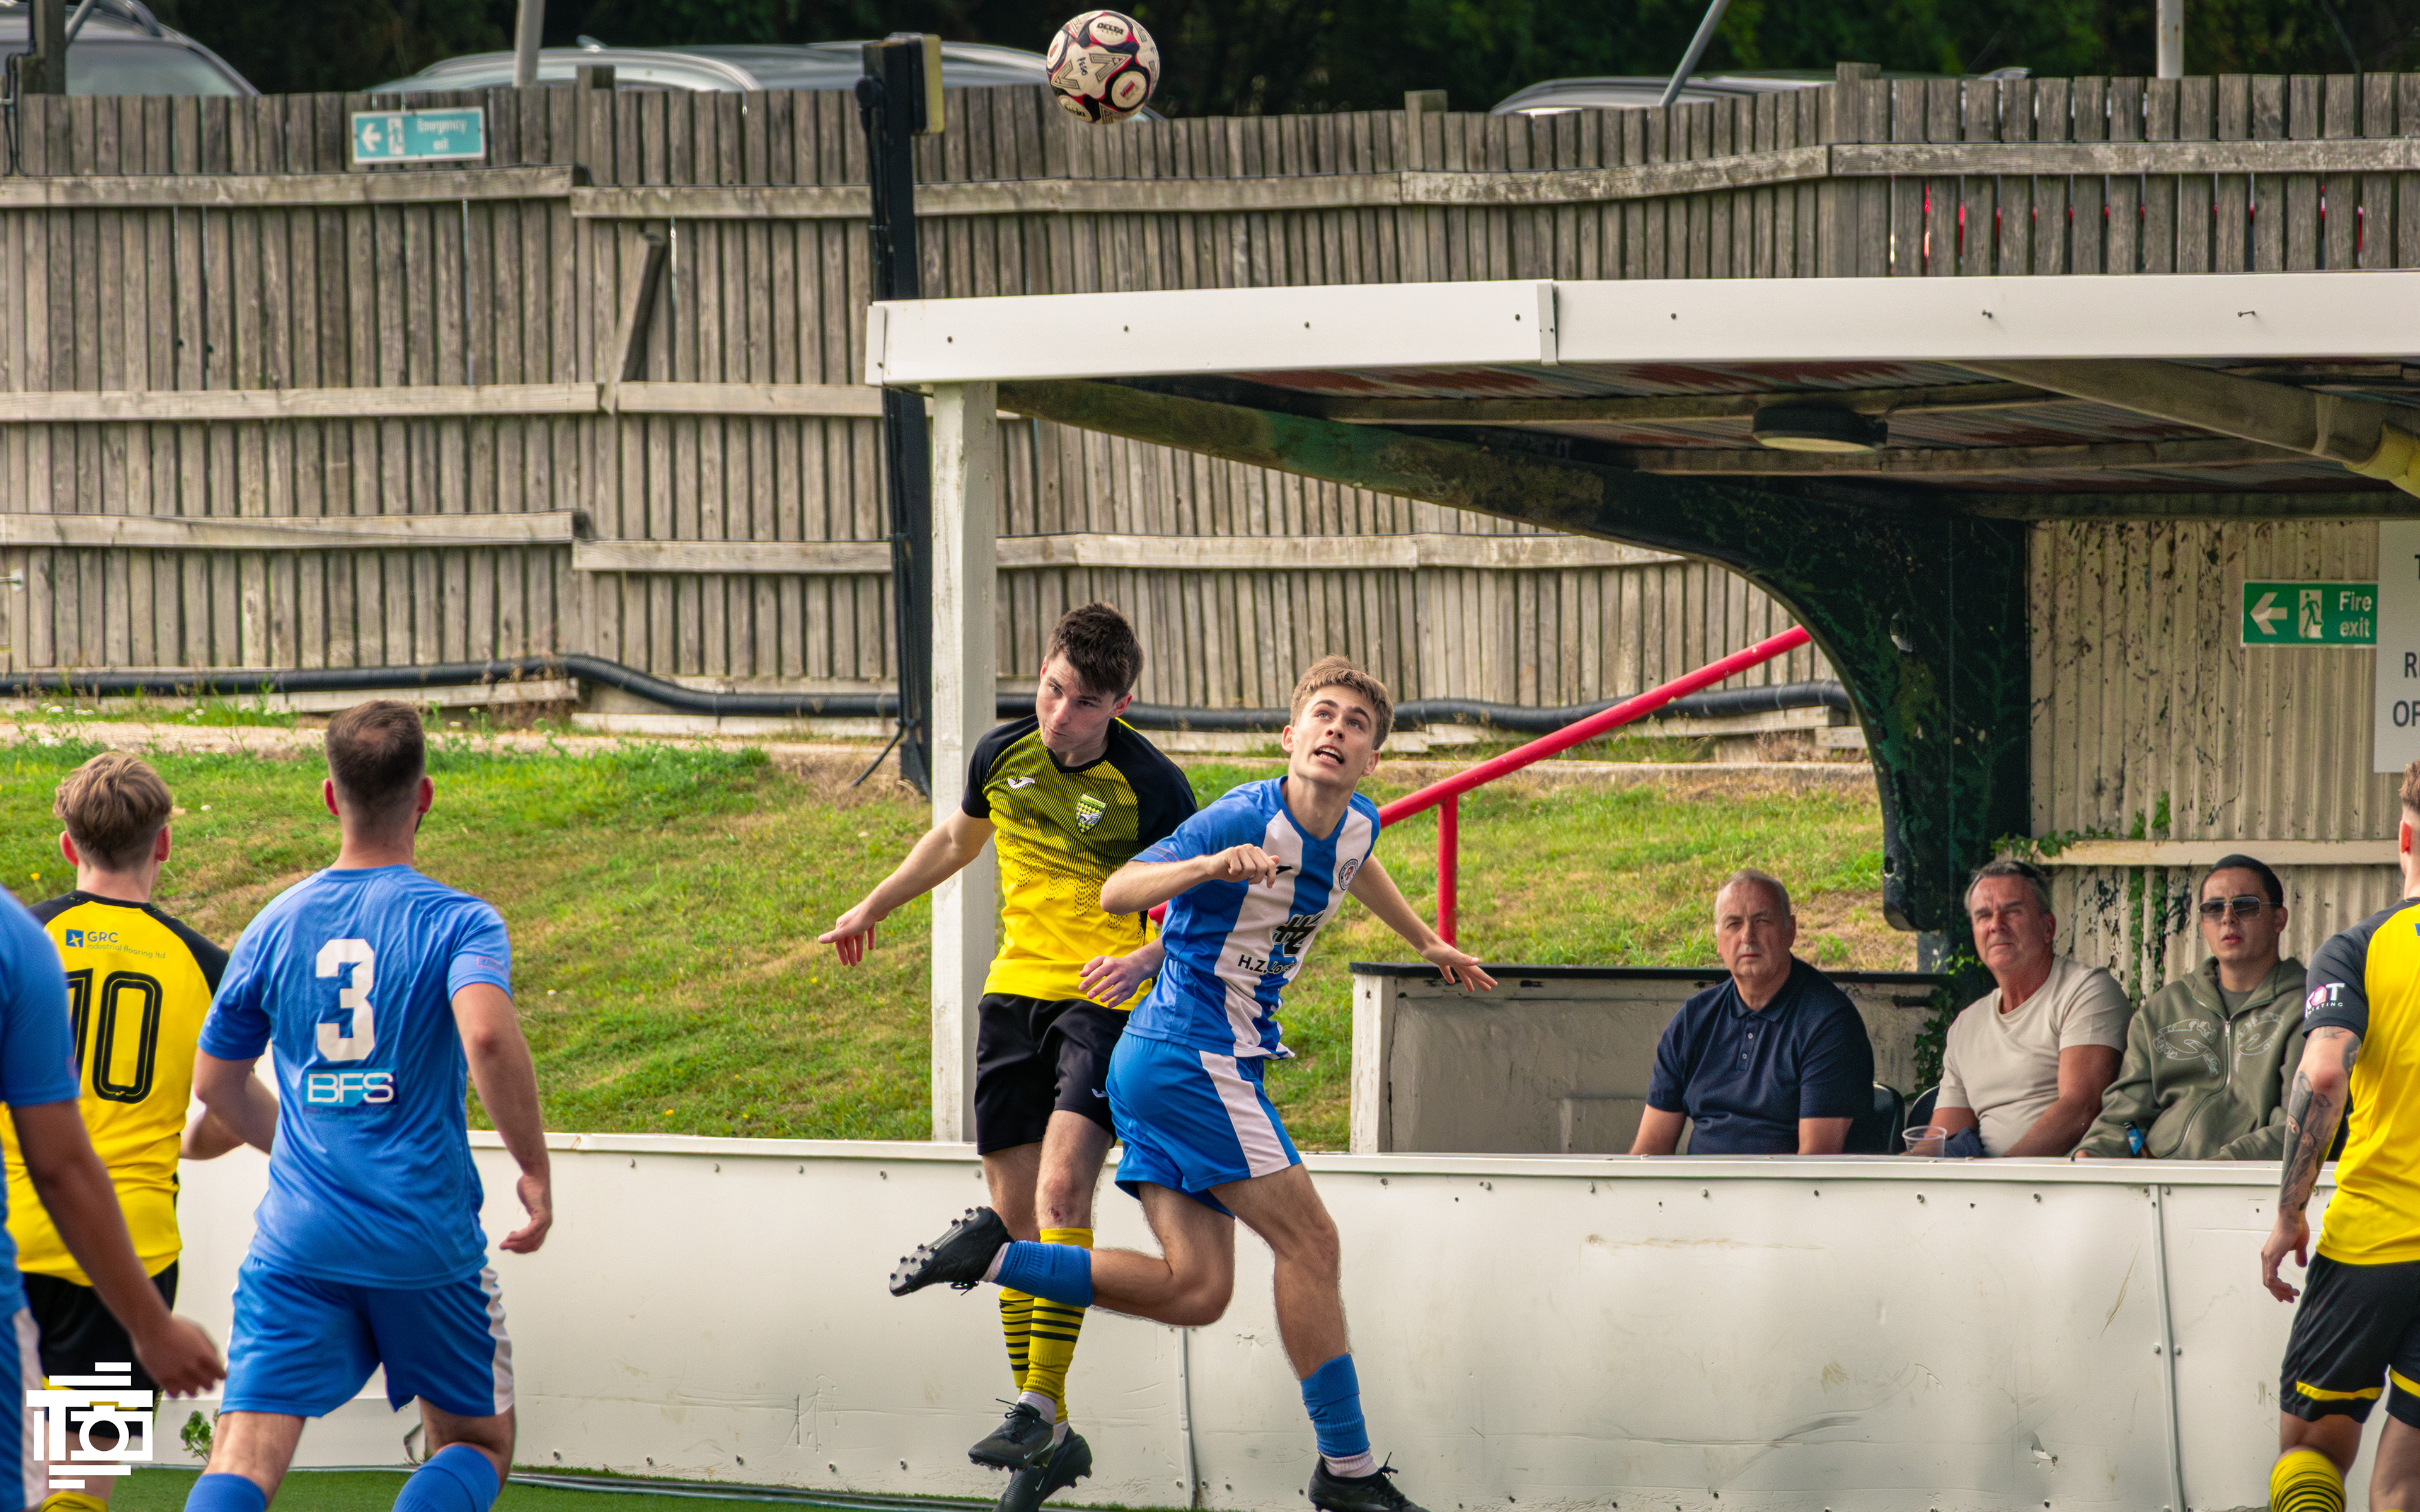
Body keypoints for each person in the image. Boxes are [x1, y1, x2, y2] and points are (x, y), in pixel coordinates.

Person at [889, 655, 1495, 1512]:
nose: (1336, 730)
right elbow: (1119, 888)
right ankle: (1348, 1470)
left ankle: (992, 1257)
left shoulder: (1357, 822)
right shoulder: (1244, 814)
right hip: (1190, 1057)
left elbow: (1357, 866)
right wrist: (1207, 868)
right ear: (1290, 737)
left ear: (1372, 759)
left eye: (1355, 725)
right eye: (1323, 715)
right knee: (1313, 1245)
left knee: (1198, 1292)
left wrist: (1426, 939)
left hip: (1177, 1063)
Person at [821, 603, 1196, 1511]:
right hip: (1011, 999)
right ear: (1042, 670)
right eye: (1052, 689)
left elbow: (1205, 907)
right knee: (1014, 1221)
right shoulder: (1001, 754)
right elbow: (956, 840)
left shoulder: (1155, 786)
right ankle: (1053, 1439)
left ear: (1122, 704)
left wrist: (1147, 958)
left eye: (1085, 702)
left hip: (1102, 1002)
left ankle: (1034, 1406)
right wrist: (873, 905)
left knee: (1062, 1195)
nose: (1060, 714)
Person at [180, 701, 553, 1512]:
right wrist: (533, 1168)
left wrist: (305, 1149)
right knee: (478, 1443)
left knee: (242, 1457)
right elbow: (487, 1036)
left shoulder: (273, 924)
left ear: (330, 796)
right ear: (424, 797)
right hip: (423, 1238)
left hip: (298, 1242)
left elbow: (215, 1087)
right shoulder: (459, 921)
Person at [0, 754, 258, 1512]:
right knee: (78, 1493)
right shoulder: (208, 967)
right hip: (131, 1254)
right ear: (165, 843)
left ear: (68, 847)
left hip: (16, 1237)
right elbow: (231, 1108)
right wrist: (185, 1143)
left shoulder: (25, 936)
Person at [2259, 760, 2420, 1512]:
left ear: (2405, 837)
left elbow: (2324, 1076)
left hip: (2372, 1246)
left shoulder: (2359, 948)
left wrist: (2289, 1211)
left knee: (2311, 1457)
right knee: (2406, 1485)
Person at [2073, 855, 2306, 1161]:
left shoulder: (2307, 1007)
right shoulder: (2162, 1010)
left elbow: (2298, 1124)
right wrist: (2093, 1151)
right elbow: (2125, 1115)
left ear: (2279, 919)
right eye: (2213, 909)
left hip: (2247, 1179)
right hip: (2156, 1178)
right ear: (2202, 923)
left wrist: (2221, 1169)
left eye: (2245, 906)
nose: (2228, 918)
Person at [1630, 869, 1874, 1156]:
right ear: (1718, 940)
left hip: (1788, 1185)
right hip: (1701, 1184)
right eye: (1733, 924)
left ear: (1791, 931)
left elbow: (1816, 1162)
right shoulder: (1693, 1020)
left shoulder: (1829, 1023)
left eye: (1762, 921)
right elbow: (1651, 1149)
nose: (1748, 936)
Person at [1930, 859, 2128, 1157]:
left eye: (2012, 911)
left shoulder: (2085, 991)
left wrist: (2000, 1174)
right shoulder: (1967, 1025)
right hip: (1985, 1180)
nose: (1996, 925)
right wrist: (1902, 1166)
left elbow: (2081, 1108)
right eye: (1983, 916)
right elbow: (1944, 1136)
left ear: (2048, 928)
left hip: (2063, 1179)